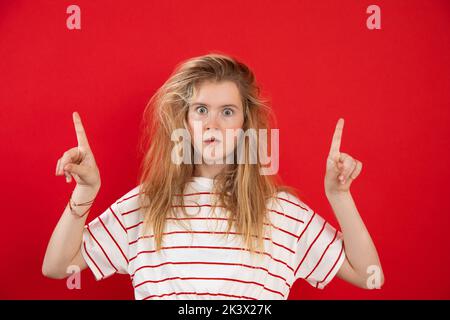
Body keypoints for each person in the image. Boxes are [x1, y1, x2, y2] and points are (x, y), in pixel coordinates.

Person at [42, 53, 384, 300]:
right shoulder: (147, 204)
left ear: (244, 125)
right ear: (185, 121)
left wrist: (340, 197)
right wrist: (86, 189)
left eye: (228, 112)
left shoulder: (281, 211)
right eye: (201, 110)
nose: (213, 124)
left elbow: (368, 277)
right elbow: (57, 266)